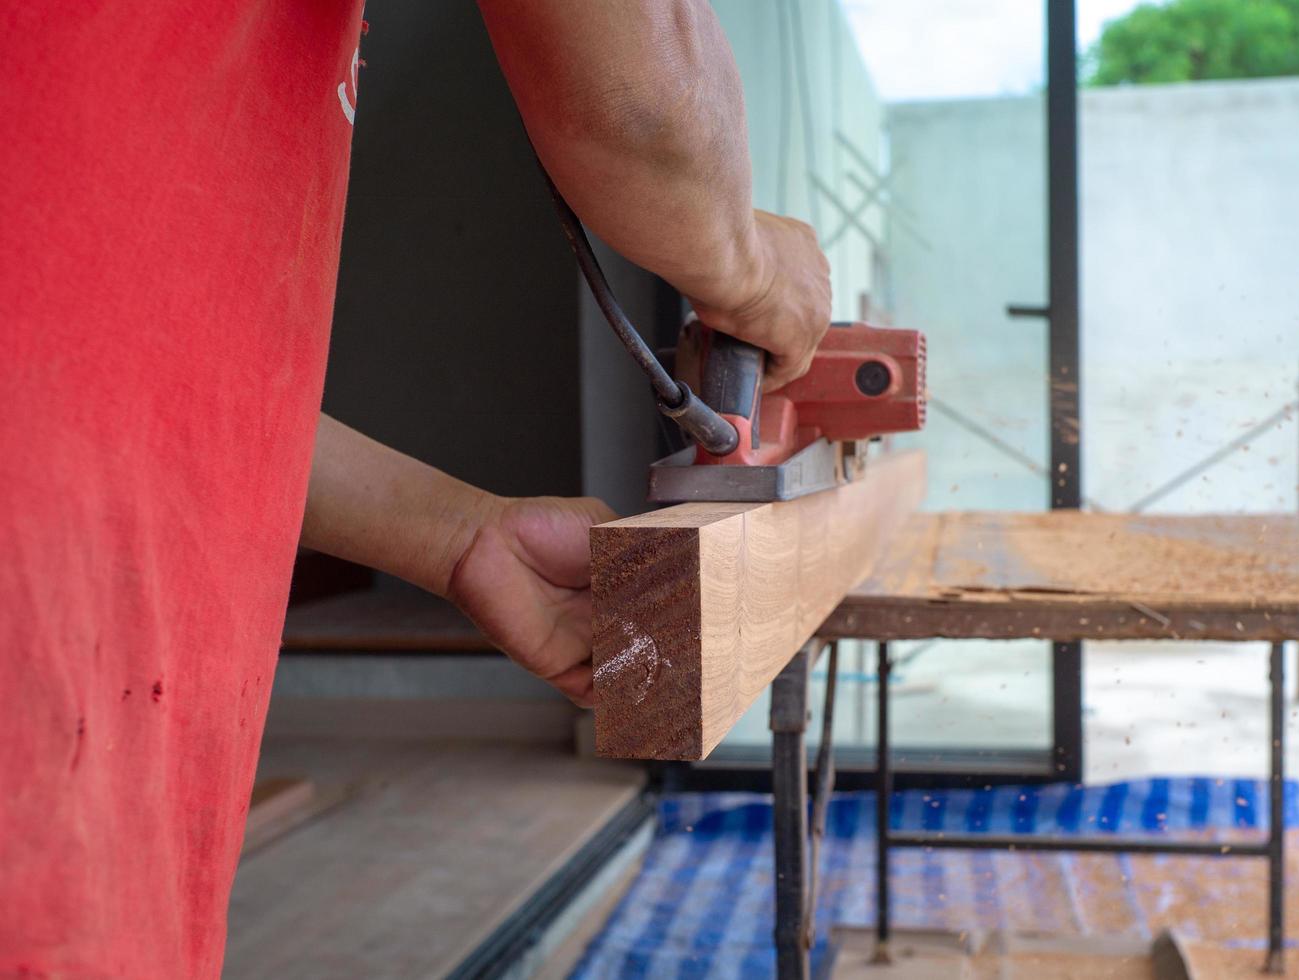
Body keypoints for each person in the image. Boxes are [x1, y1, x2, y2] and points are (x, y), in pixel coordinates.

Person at [0, 1, 831, 975]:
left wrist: (456, 536)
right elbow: (639, 105)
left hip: (100, 736)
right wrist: (749, 263)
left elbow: (114, 378)